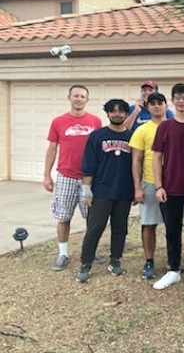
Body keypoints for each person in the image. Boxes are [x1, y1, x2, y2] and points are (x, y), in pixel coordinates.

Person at [151, 84, 184, 291]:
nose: (181, 101)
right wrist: (159, 186)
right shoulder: (164, 127)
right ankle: (173, 270)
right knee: (172, 231)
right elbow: (156, 157)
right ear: (172, 101)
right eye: (177, 98)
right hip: (170, 188)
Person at [45, 85, 103, 271]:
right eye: (76, 96)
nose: (79, 99)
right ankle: (63, 254)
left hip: (89, 178)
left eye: (82, 96)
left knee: (91, 217)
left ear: (87, 100)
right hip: (66, 176)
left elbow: (99, 149)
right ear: (69, 98)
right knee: (64, 216)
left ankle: (91, 250)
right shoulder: (58, 122)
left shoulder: (95, 121)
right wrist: (47, 175)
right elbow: (52, 148)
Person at [76, 99, 134, 283]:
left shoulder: (132, 136)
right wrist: (86, 187)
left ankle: (115, 260)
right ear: (107, 113)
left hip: (124, 191)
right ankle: (86, 264)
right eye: (113, 111)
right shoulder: (97, 136)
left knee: (120, 228)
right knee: (95, 228)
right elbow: (89, 163)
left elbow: (137, 164)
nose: (117, 114)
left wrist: (136, 189)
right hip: (101, 190)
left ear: (126, 113)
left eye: (121, 111)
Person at [128, 92, 168, 280]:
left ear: (166, 106)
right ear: (148, 107)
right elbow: (136, 160)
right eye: (152, 103)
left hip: (173, 184)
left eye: (160, 103)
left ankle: (173, 260)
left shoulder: (173, 126)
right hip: (150, 183)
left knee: (173, 225)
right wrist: (137, 187)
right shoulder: (142, 130)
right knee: (149, 224)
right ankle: (149, 260)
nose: (156, 106)